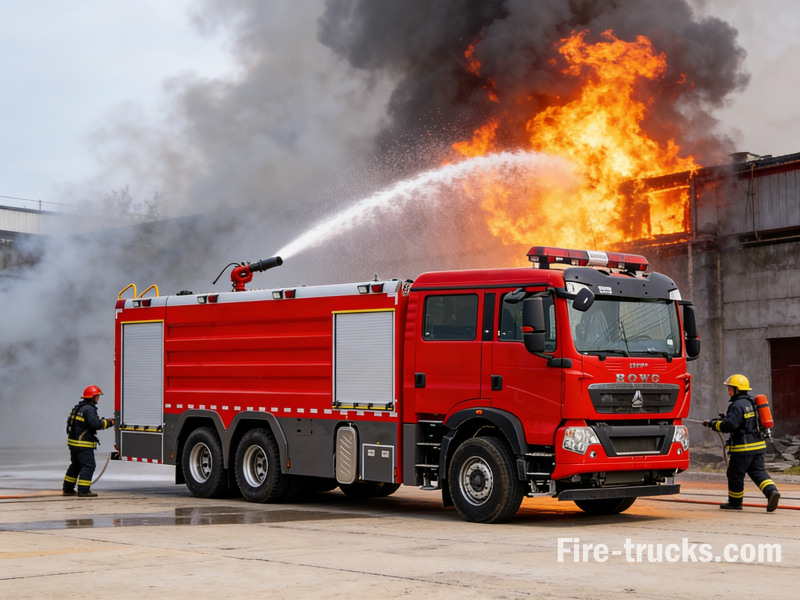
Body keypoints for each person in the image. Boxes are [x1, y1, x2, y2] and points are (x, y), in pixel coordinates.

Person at [704, 374, 780, 512]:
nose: (728, 391)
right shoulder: (752, 403)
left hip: (743, 448)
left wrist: (713, 424)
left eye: (730, 388)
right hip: (758, 446)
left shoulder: (737, 405)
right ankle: (772, 492)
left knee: (734, 474)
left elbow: (729, 426)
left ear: (737, 389)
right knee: (758, 472)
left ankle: (735, 502)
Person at [63, 385, 114, 497]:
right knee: (89, 466)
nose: (98, 399)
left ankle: (68, 489)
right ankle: (84, 490)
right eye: (97, 396)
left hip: (73, 443)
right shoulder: (89, 409)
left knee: (76, 465)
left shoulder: (78, 407)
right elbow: (96, 424)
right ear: (92, 397)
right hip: (83, 444)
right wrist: (110, 422)